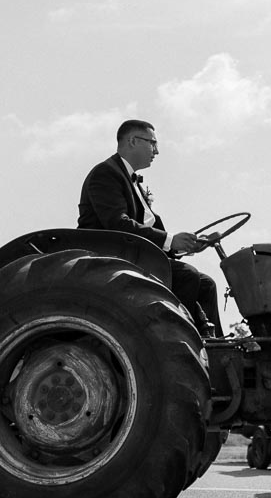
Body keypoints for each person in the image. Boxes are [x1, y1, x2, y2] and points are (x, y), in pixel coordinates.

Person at [78, 119, 223, 336]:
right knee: (187, 276)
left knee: (206, 284)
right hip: (113, 257)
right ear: (133, 141)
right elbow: (118, 224)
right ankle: (176, 338)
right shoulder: (105, 174)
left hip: (138, 254)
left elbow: (147, 228)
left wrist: (186, 245)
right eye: (152, 143)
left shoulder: (130, 179)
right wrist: (170, 239)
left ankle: (215, 346)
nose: (157, 151)